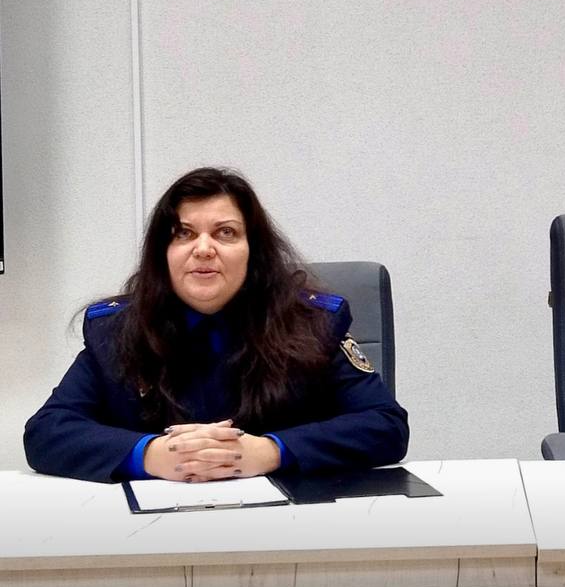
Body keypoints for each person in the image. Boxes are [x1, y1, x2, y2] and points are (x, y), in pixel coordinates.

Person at [24, 167, 410, 483]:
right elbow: (47, 431)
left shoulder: (312, 324)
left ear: (253, 251)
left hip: (290, 529)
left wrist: (271, 451)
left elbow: (385, 424)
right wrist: (150, 455)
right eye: (184, 233)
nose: (204, 249)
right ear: (162, 254)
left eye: (225, 233)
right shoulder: (116, 331)